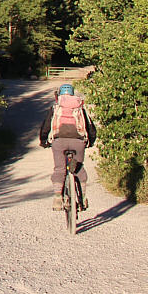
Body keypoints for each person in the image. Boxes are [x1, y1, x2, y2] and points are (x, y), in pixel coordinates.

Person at [39, 83, 97, 211]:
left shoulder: (55, 108)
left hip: (59, 142)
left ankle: (58, 198)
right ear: (73, 94)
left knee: (60, 169)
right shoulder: (80, 108)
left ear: (59, 95)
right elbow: (90, 128)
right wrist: (90, 142)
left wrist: (44, 141)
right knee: (78, 167)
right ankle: (83, 198)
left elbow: (46, 127)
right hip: (78, 142)